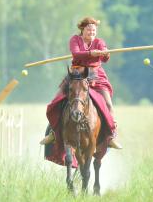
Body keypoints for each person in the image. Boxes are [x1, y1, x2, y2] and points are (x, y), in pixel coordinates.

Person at [40, 16, 122, 149]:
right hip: (77, 74)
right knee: (57, 100)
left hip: (96, 75)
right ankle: (54, 132)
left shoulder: (100, 42)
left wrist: (106, 54)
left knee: (108, 104)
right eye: (89, 30)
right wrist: (90, 53)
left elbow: (105, 59)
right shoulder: (75, 40)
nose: (92, 33)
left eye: (94, 30)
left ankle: (111, 136)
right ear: (82, 30)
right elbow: (76, 54)